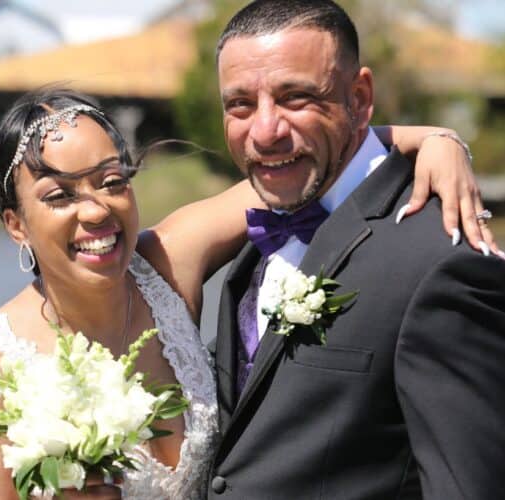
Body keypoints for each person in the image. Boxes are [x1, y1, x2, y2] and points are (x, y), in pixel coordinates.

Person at [0, 87, 493, 500]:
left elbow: (294, 171)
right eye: (59, 195)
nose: (96, 211)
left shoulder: (166, 267)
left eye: (112, 181)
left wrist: (439, 142)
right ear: (16, 223)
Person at [209, 1, 505, 499]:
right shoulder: (254, 239)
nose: (264, 130)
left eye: (295, 97)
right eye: (240, 104)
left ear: (360, 98)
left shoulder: (444, 262)